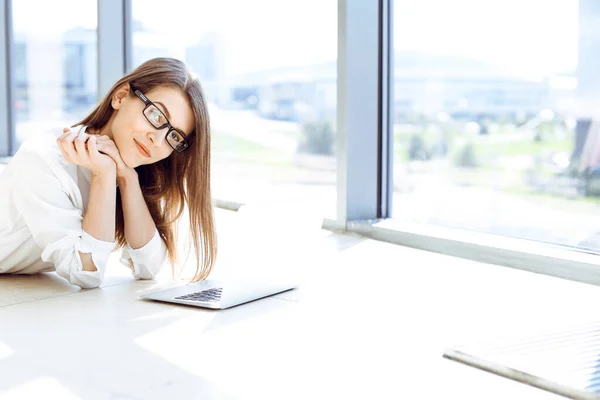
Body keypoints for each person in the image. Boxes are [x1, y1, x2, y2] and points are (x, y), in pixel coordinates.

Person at [0, 57, 217, 289]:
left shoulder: (134, 171)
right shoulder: (44, 159)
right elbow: (85, 273)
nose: (158, 139)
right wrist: (103, 176)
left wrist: (127, 179)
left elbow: (149, 267)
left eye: (174, 137)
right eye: (156, 116)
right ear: (121, 96)